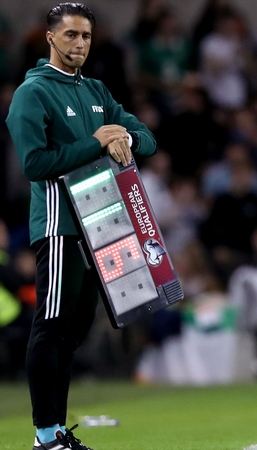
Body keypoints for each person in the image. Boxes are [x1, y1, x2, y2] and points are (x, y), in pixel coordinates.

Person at [5, 4, 157, 450]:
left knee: (74, 332)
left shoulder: (95, 89)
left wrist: (124, 138)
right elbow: (34, 164)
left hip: (102, 226)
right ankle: (45, 434)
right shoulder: (32, 92)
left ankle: (56, 433)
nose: (79, 44)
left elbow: (147, 138)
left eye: (86, 36)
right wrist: (96, 142)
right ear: (50, 38)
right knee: (51, 326)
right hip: (60, 226)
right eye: (70, 34)